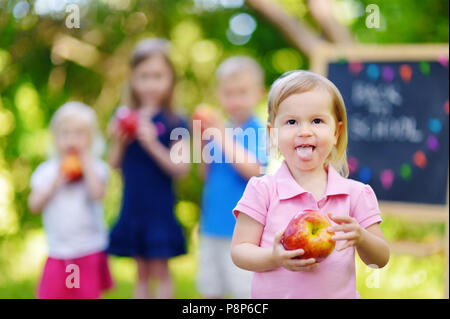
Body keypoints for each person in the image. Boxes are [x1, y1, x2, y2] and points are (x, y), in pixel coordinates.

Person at [231, 70, 390, 299]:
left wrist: (362, 237)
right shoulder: (263, 190)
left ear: (336, 132)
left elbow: (380, 260)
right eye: (291, 121)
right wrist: (274, 258)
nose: (304, 131)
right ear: (273, 133)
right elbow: (239, 251)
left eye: (317, 121)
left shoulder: (355, 194)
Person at [107, 38, 190, 299]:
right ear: (132, 79)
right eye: (143, 76)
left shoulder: (175, 120)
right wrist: (119, 142)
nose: (150, 84)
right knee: (140, 272)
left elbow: (181, 168)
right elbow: (114, 164)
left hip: (159, 209)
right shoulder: (124, 116)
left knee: (160, 270)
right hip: (133, 206)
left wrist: (152, 143)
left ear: (171, 80)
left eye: (158, 76)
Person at [196, 56, 268, 299]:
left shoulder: (258, 129)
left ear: (258, 93)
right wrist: (203, 142)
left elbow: (253, 170)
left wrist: (222, 135)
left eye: (242, 93)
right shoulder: (220, 131)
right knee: (210, 288)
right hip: (211, 225)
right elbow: (204, 176)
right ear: (219, 94)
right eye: (228, 94)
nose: (235, 100)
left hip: (243, 232)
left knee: (243, 291)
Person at [28, 101, 113, 299]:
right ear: (55, 138)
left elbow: (97, 195)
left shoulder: (97, 169)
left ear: (91, 139)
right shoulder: (47, 171)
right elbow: (34, 205)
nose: (72, 140)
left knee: (88, 294)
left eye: (79, 134)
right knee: (53, 293)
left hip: (89, 248)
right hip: (59, 251)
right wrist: (56, 181)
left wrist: (86, 164)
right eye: (65, 134)